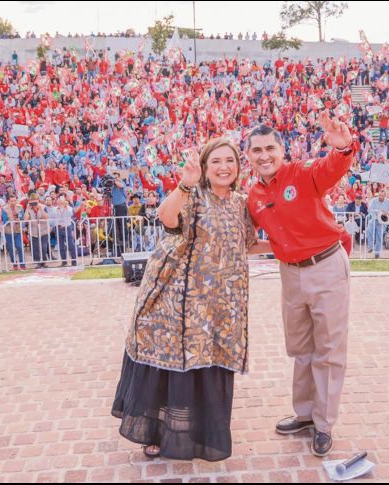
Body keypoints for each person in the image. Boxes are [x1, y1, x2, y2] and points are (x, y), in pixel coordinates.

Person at [113, 138, 267, 462]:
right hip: (181, 302)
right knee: (175, 366)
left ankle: (200, 433)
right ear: (206, 167)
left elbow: (247, 244)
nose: (224, 167)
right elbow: (167, 219)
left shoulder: (242, 203)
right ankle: (158, 433)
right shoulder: (193, 195)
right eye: (216, 162)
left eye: (230, 161)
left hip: (221, 305)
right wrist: (185, 182)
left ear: (238, 167)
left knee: (208, 364)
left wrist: (291, 245)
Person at [246, 112, 354, 457]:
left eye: (269, 148)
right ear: (248, 156)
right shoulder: (253, 196)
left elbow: (331, 168)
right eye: (256, 150)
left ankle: (323, 424)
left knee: (329, 349)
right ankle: (305, 414)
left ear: (282, 149)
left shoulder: (303, 173)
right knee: (301, 348)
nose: (264, 156)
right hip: (290, 273)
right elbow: (250, 238)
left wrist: (343, 148)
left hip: (326, 266)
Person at [367, 189, 389, 259]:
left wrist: (387, 212)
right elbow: (369, 209)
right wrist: (379, 211)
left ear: (385, 195)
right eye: (380, 195)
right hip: (374, 219)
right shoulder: (374, 200)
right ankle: (370, 247)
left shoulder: (388, 202)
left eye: (382, 195)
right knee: (369, 231)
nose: (381, 196)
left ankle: (377, 253)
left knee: (379, 236)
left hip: (382, 221)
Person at [25, 193, 51, 268]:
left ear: (38, 200)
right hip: (33, 231)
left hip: (44, 230)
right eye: (32, 201)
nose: (34, 203)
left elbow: (46, 217)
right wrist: (27, 209)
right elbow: (25, 219)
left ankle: (44, 261)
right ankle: (37, 262)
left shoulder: (44, 207)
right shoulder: (29, 208)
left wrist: (41, 209)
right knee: (35, 248)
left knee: (43, 246)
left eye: (35, 201)